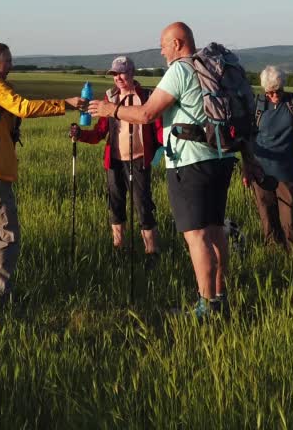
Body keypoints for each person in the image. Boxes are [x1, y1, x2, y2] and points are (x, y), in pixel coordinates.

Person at [88, 22, 236, 319]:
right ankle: (220, 297)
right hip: (220, 157)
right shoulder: (212, 69)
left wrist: (110, 110)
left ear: (178, 43)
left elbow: (146, 113)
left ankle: (206, 307)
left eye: (163, 44)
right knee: (216, 230)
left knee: (196, 236)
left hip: (189, 161)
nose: (161, 50)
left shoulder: (181, 70)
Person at [0, 42, 89, 300]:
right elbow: (22, 107)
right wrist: (66, 103)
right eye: (8, 60)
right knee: (6, 235)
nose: (11, 65)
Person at [70, 56, 163, 255]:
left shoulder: (147, 97)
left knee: (143, 206)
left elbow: (159, 131)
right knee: (116, 206)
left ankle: (151, 253)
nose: (118, 78)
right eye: (114, 74)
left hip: (139, 160)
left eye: (121, 73)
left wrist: (169, 148)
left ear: (132, 72)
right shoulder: (110, 98)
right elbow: (99, 132)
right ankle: (118, 250)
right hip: (114, 162)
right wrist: (80, 135)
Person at [248, 65, 293, 250]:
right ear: (264, 90)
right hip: (260, 170)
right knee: (267, 215)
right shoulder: (258, 104)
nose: (274, 96)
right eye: (270, 92)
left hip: (286, 170)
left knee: (290, 217)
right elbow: (247, 134)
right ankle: (273, 252)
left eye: (277, 91)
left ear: (283, 87)